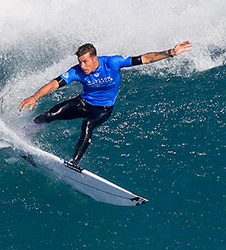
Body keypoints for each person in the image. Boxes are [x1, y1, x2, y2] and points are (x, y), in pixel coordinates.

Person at [18, 41, 192, 169]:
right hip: (83, 103)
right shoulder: (76, 71)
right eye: (80, 62)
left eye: (85, 61)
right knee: (51, 114)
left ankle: (73, 163)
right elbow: (55, 83)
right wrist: (34, 97)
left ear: (95, 58)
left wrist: (170, 52)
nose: (82, 66)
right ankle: (22, 133)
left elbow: (145, 58)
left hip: (102, 109)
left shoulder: (112, 63)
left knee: (88, 125)